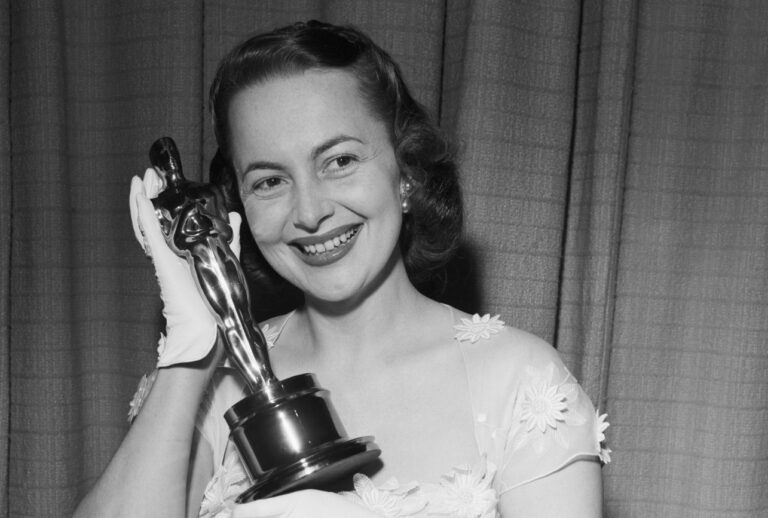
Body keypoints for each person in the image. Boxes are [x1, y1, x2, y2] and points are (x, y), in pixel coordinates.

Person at [74, 20, 609, 518]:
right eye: (269, 181)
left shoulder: (518, 382)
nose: (309, 213)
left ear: (407, 175)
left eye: (340, 161)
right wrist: (191, 353)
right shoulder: (208, 389)